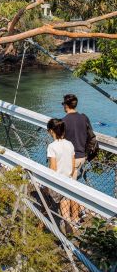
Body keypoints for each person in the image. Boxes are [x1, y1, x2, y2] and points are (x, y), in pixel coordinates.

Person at [62, 93, 93, 222]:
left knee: (66, 190)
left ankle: (70, 220)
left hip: (70, 159)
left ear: (66, 105)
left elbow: (61, 142)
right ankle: (76, 217)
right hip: (81, 157)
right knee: (74, 186)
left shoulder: (63, 121)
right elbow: (90, 135)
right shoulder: (84, 118)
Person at [46, 118, 75, 232]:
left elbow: (53, 168)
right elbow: (73, 166)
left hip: (56, 183)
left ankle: (52, 227)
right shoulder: (70, 144)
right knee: (65, 206)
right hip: (67, 181)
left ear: (51, 131)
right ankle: (68, 226)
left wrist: (47, 185)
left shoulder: (52, 146)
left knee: (45, 199)